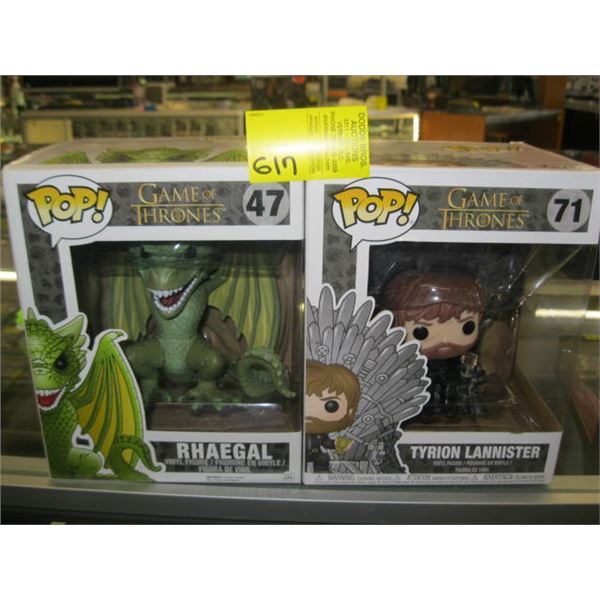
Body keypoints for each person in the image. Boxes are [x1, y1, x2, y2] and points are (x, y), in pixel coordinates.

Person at [381, 271, 485, 419]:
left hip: (450, 376)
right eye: (421, 332)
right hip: (420, 377)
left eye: (467, 327)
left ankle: (450, 409)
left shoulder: (460, 360)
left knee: (451, 393)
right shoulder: (407, 362)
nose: (445, 339)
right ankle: (424, 412)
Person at [304, 360, 361, 472]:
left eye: (331, 406)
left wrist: (337, 444)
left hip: (316, 454)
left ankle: (321, 475)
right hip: (297, 455)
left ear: (350, 411)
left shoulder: (321, 434)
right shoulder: (297, 431)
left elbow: (327, 442)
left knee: (323, 459)